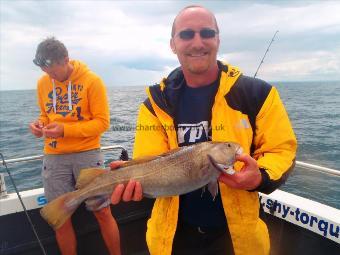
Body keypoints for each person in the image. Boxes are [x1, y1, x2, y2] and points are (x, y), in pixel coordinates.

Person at [110, 5, 297, 255]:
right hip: (173, 239)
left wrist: (260, 176)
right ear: (173, 44)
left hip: (237, 239)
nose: (197, 42)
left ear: (218, 39)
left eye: (206, 33)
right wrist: (132, 181)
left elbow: (281, 149)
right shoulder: (156, 103)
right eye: (186, 34)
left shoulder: (258, 94)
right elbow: (151, 161)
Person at [29, 37, 120, 255]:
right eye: (45, 71)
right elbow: (46, 113)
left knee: (102, 212)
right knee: (60, 219)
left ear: (66, 60)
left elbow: (102, 123)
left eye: (53, 71)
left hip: (87, 155)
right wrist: (40, 124)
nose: (50, 76)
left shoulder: (92, 81)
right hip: (54, 157)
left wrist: (65, 130)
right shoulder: (43, 82)